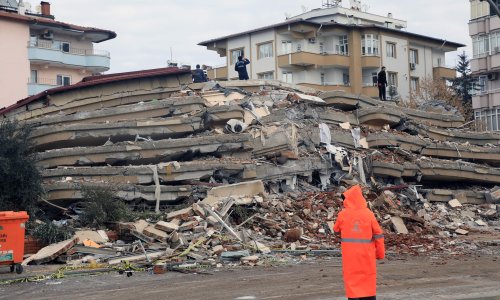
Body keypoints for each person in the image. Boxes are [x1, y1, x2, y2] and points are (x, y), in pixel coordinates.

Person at [333, 185, 385, 300]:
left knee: (353, 287)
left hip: (350, 259)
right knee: (368, 285)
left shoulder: (343, 214)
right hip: (367, 257)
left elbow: (336, 230)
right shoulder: (368, 214)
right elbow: (379, 235)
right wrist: (380, 254)